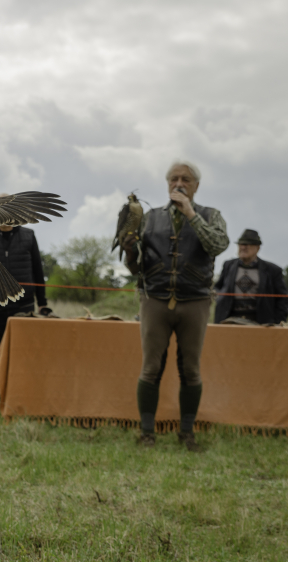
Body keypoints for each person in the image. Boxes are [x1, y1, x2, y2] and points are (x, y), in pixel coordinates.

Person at [123, 160, 229, 451]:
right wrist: (130, 252)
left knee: (191, 368)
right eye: (173, 179)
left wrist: (191, 214)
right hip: (154, 299)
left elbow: (218, 245)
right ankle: (147, 433)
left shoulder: (211, 215)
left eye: (185, 179)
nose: (178, 183)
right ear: (167, 183)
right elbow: (135, 269)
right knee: (151, 367)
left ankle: (187, 432)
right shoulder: (149, 217)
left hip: (195, 300)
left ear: (196, 186)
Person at [0, 204, 52, 359]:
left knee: (23, 353)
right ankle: (0, 384)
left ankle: (22, 384)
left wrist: (42, 302)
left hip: (24, 306)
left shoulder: (29, 235)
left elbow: (37, 270)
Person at [214, 229, 288, 325]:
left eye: (247, 244)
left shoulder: (272, 270)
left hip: (261, 323)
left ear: (257, 248)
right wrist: (220, 299)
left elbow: (282, 298)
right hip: (229, 320)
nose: (243, 247)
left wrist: (277, 322)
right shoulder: (228, 265)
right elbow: (217, 287)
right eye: (241, 244)